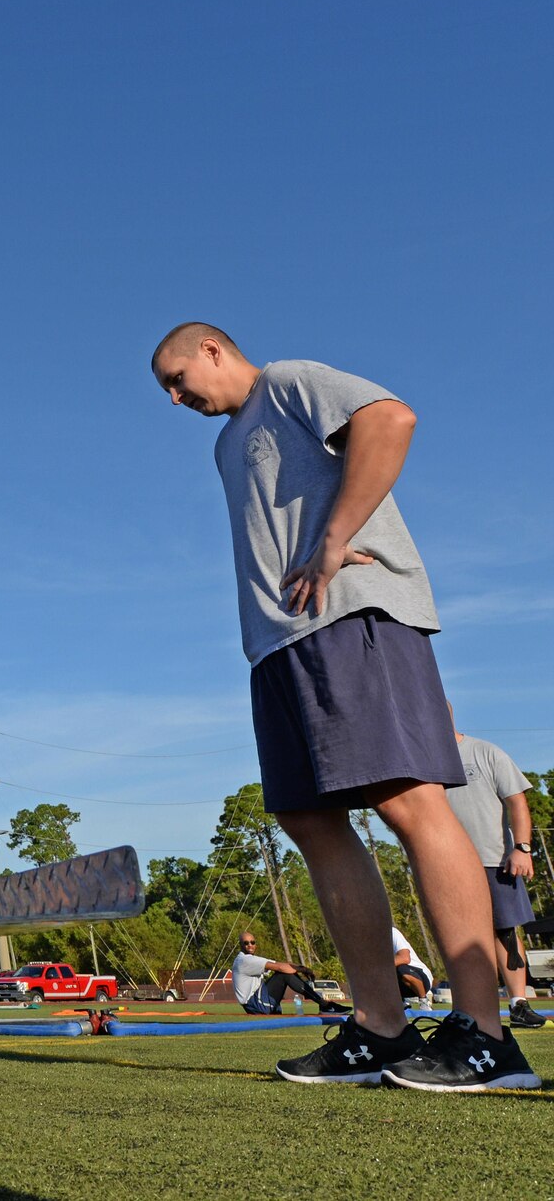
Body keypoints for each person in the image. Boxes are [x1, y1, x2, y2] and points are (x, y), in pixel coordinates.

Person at [152, 325, 536, 1091]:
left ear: (215, 351)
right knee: (308, 817)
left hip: (351, 614)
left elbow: (390, 418)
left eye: (177, 375)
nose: (174, 397)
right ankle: (379, 1029)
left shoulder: (288, 380)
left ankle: (487, 1036)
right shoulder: (226, 444)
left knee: (407, 799)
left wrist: (334, 540)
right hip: (277, 644)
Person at [444, 724, 547, 1029]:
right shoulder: (426, 760)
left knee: (505, 932)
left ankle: (518, 1003)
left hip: (494, 860)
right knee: (462, 935)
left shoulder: (485, 752)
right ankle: (471, 1008)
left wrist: (522, 848)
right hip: (448, 864)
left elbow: (517, 801)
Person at [230, 932, 347, 1015]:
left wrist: (303, 968)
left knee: (283, 972)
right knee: (283, 974)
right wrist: (304, 970)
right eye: (246, 943)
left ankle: (323, 1004)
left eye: (252, 942)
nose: (250, 945)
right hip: (255, 1004)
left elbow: (282, 964)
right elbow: (282, 968)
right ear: (240, 945)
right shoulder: (244, 960)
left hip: (256, 1001)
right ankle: (325, 1005)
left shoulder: (250, 959)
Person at [391, 926, 433, 1004]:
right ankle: (399, 1003)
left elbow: (405, 958)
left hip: (419, 976)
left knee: (402, 969)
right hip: (396, 983)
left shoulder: (392, 932)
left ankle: (424, 1001)